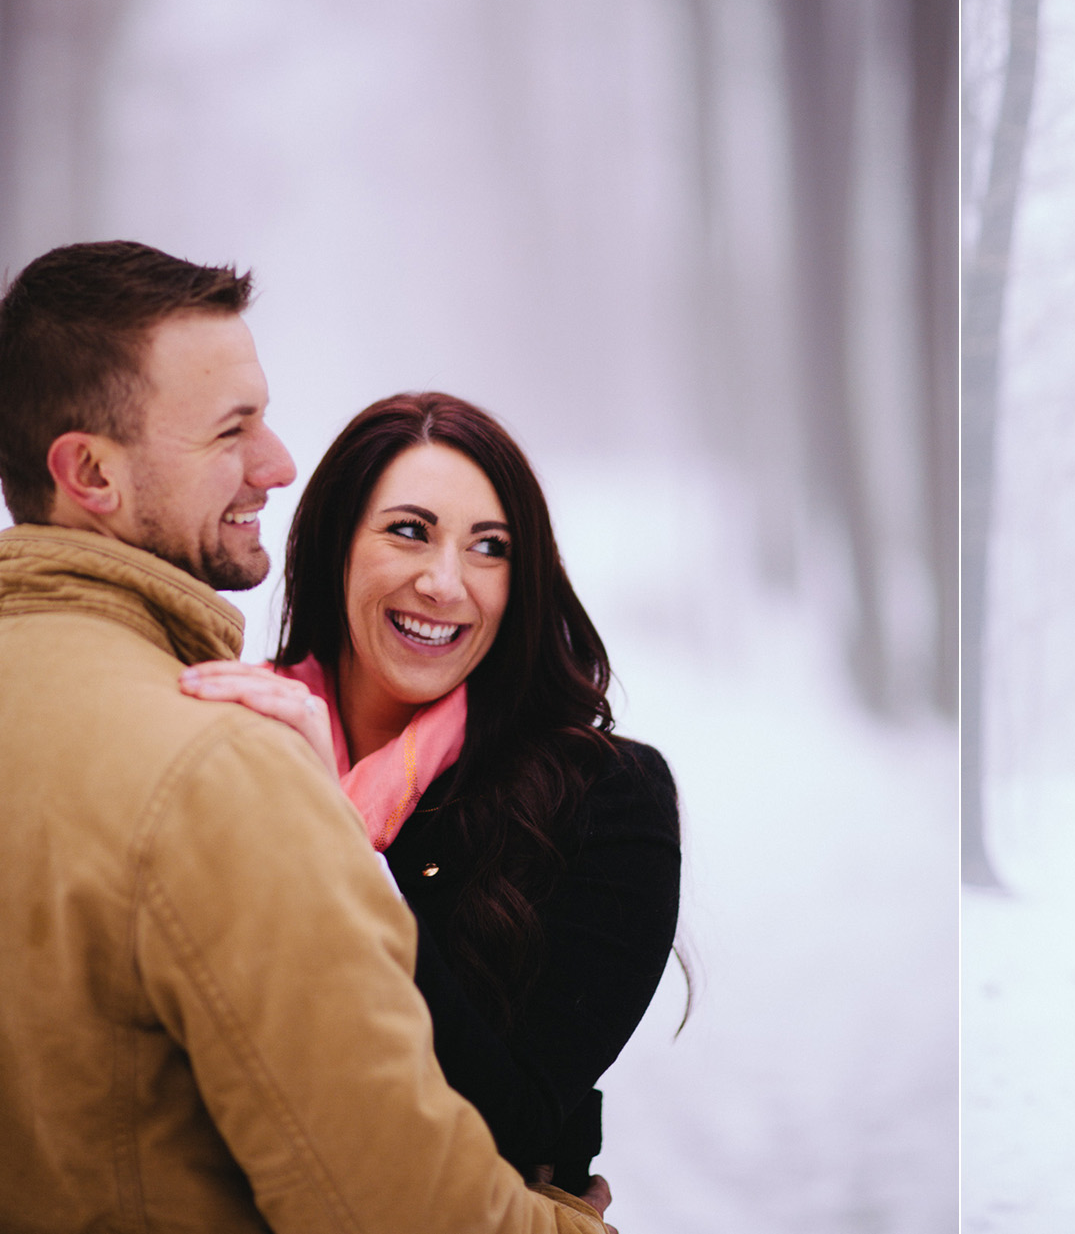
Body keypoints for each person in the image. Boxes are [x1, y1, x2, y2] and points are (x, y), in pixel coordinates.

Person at [0, 240, 608, 1232]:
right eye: (232, 430)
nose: (277, 464)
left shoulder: (597, 792)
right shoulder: (225, 766)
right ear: (90, 474)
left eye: (490, 546)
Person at [176, 392, 682, 1199]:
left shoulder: (607, 797)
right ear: (336, 543)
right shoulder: (223, 737)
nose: (446, 583)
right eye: (409, 530)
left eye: (490, 547)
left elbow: (510, 1120)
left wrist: (340, 852)